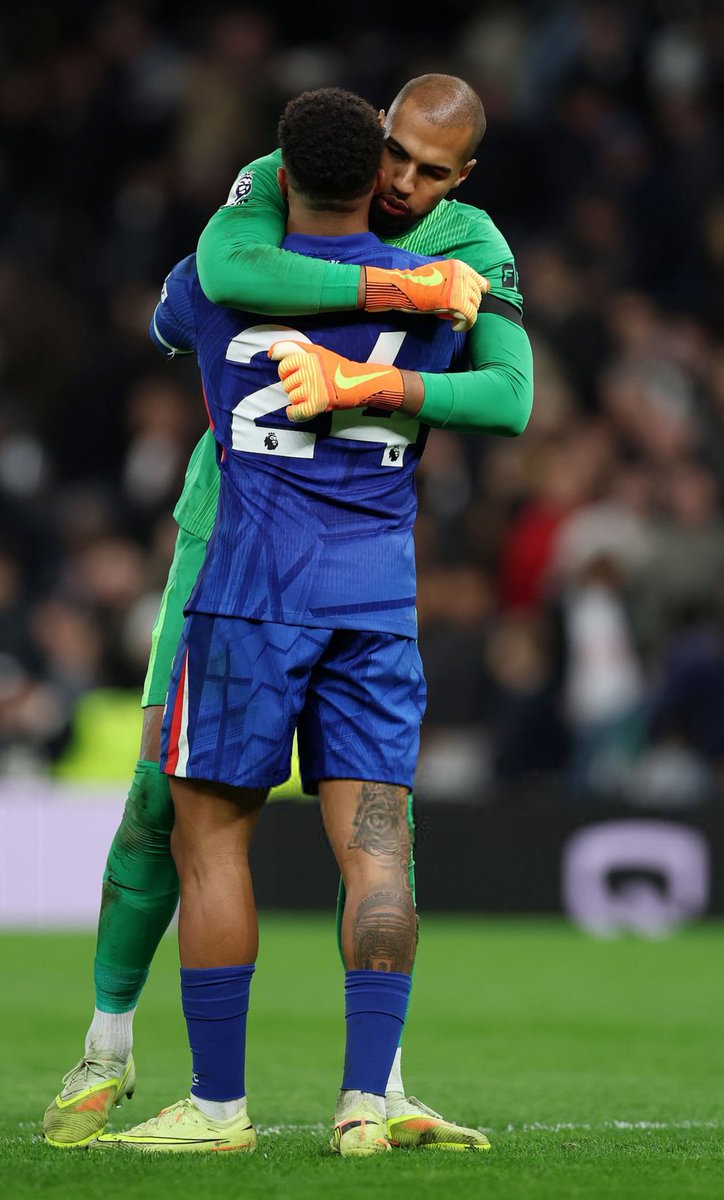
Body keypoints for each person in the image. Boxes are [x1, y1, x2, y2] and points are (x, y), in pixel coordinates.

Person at [43, 73, 531, 1151]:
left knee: (240, 821)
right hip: (271, 544)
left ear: (463, 177)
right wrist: (405, 299)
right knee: (186, 802)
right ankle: (109, 1046)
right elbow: (232, 267)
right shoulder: (323, 204)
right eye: (393, 156)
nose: (404, 184)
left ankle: (347, 1087)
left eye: (431, 172)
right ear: (370, 141)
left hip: (260, 570)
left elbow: (198, 292)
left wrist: (367, 383)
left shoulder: (461, 241)